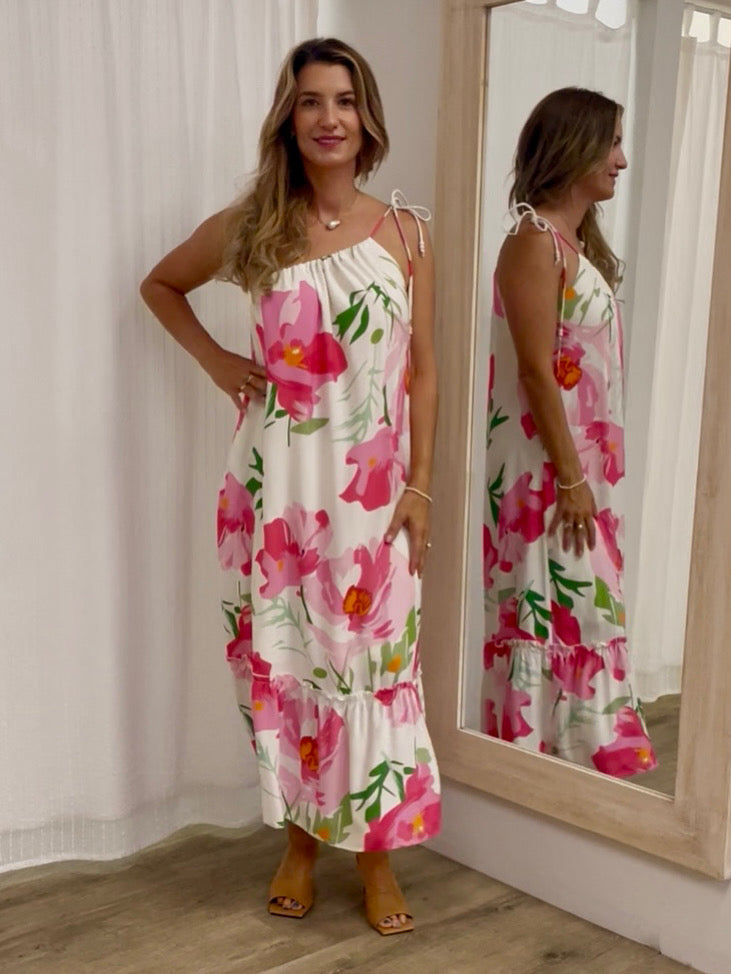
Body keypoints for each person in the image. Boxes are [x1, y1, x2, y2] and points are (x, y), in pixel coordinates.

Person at [140, 37, 440, 935]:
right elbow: (161, 285)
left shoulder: (406, 232)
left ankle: (375, 855)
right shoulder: (255, 227)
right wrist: (217, 361)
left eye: (343, 100)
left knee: (374, 665)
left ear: (366, 118)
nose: (328, 118)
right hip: (275, 493)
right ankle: (302, 845)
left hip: (373, 495)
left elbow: (424, 371)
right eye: (311, 101)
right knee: (295, 662)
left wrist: (421, 487)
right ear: (289, 118)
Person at [481, 87, 657, 777]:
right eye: (612, 143)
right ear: (574, 146)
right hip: (548, 474)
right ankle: (542, 774)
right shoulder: (533, 240)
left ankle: (576, 772)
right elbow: (533, 370)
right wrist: (572, 478)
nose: (621, 160)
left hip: (576, 473)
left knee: (581, 612)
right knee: (555, 611)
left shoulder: (568, 244)